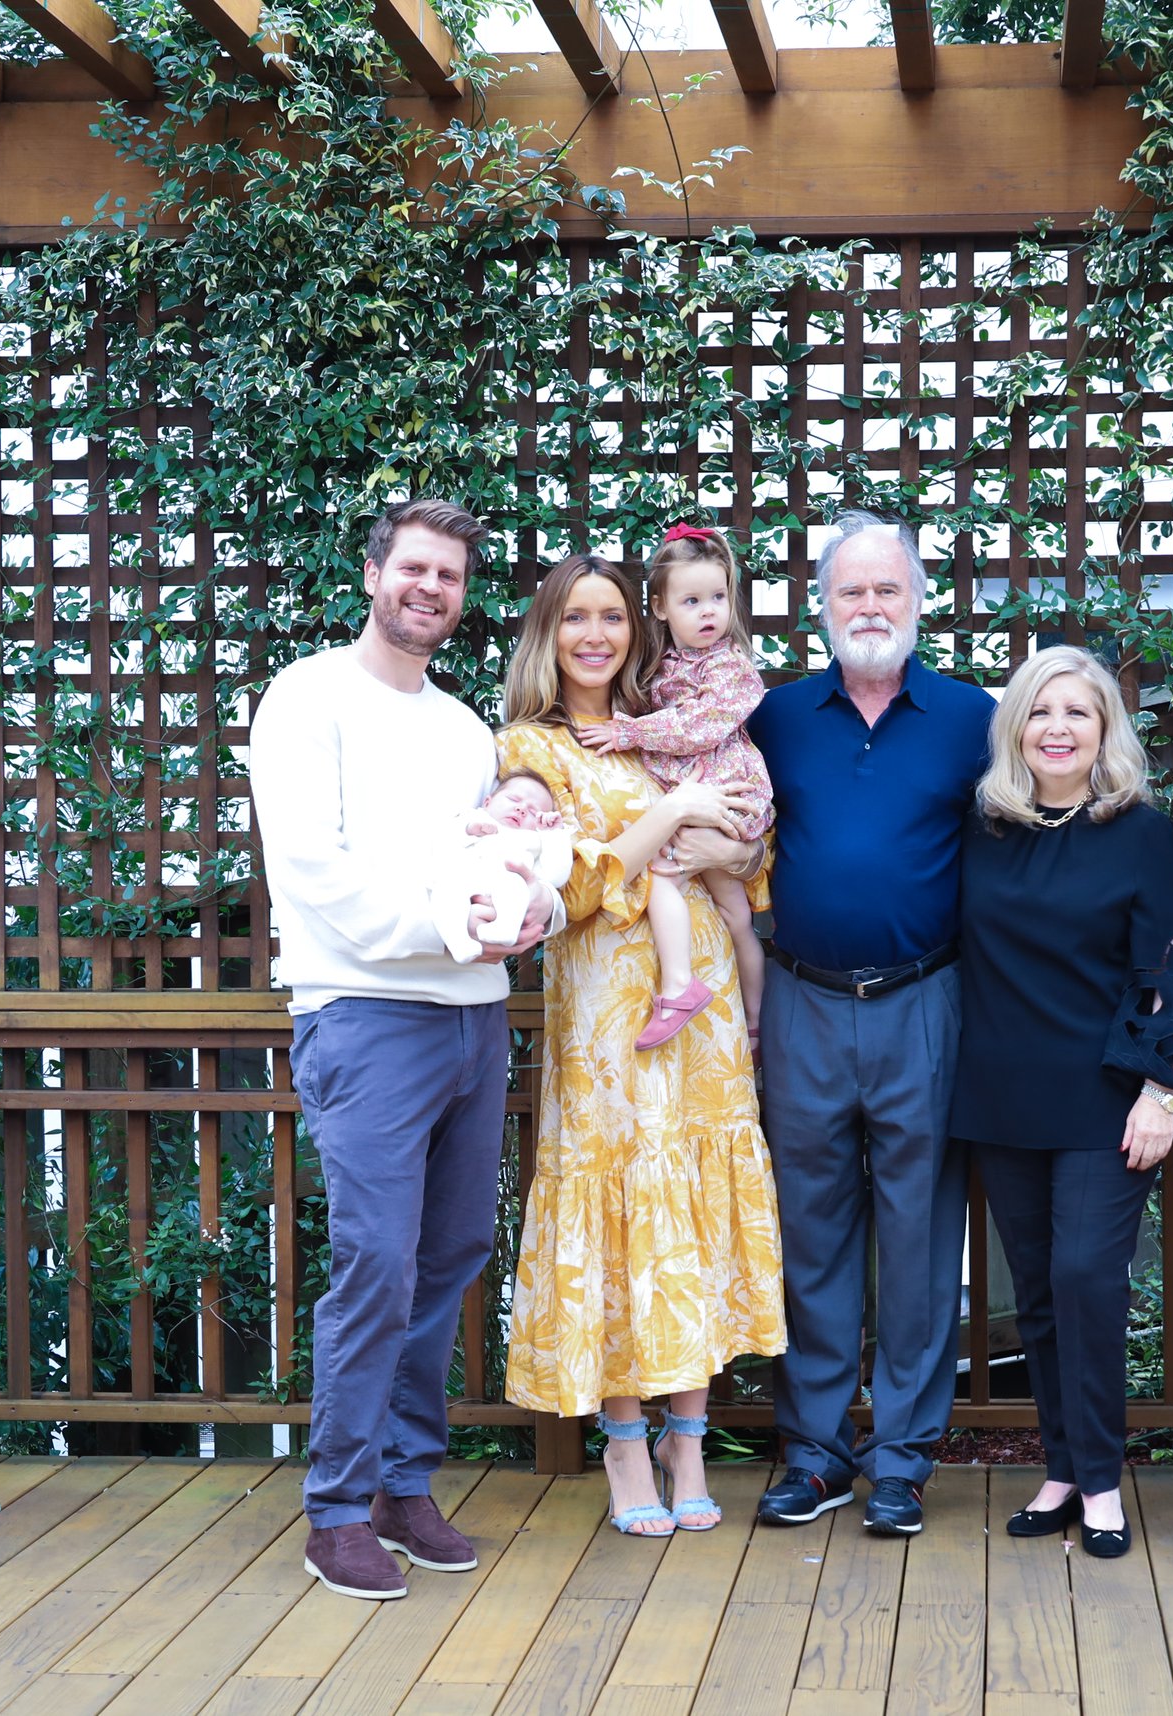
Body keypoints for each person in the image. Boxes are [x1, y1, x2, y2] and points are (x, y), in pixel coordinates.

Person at [249, 497, 559, 1602]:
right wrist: (452, 928)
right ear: (373, 571)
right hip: (367, 1014)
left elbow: (515, 863)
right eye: (415, 570)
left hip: (474, 1017)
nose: (431, 590)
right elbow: (315, 877)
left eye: (450, 578)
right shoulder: (307, 700)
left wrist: (536, 920)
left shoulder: (463, 728)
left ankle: (402, 1482)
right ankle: (335, 1508)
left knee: (448, 1258)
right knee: (375, 1262)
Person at [496, 552, 786, 1539]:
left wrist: (732, 849)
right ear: (549, 631)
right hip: (606, 1025)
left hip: (698, 1009)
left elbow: (750, 860)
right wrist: (663, 820)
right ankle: (625, 1445)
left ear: (639, 628)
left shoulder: (670, 727)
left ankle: (688, 1440)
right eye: (574, 617)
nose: (593, 635)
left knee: (690, 1222)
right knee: (619, 1222)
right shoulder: (534, 753)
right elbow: (565, 891)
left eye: (611, 616)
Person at [952, 646, 1173, 1559]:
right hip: (1002, 1091)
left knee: (1086, 1279)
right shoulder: (984, 828)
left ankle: (1104, 1481)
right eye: (1040, 713)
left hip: (1109, 1096)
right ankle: (1063, 1468)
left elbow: (1172, 968)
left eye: (1078, 713)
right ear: (1016, 730)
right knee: (1036, 1292)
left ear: (1106, 729)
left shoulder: (1138, 831)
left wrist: (1161, 1092)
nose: (1058, 729)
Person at [745, 511, 992, 1536]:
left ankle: (900, 1457)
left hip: (924, 1000)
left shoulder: (976, 718)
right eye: (850, 592)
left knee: (922, 1235)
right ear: (822, 607)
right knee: (810, 1233)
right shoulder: (776, 719)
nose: (869, 608)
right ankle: (815, 1454)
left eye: (887, 590)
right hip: (799, 999)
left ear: (919, 600)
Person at [579, 524, 772, 1050]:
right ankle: (751, 1024)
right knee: (734, 914)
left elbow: (699, 726)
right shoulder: (661, 666)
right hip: (693, 794)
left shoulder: (732, 667)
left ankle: (684, 989)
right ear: (661, 609)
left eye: (718, 596)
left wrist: (628, 730)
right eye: (692, 600)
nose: (709, 611)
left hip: (726, 793)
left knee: (662, 873)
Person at [429, 769, 573, 964]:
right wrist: (468, 829)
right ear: (487, 802)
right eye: (514, 799)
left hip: (504, 882)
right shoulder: (472, 818)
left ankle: (506, 929)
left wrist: (554, 836)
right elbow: (441, 840)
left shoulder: (534, 841)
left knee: (513, 887)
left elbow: (556, 875)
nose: (521, 809)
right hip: (462, 880)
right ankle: (459, 942)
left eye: (533, 812)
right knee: (445, 895)